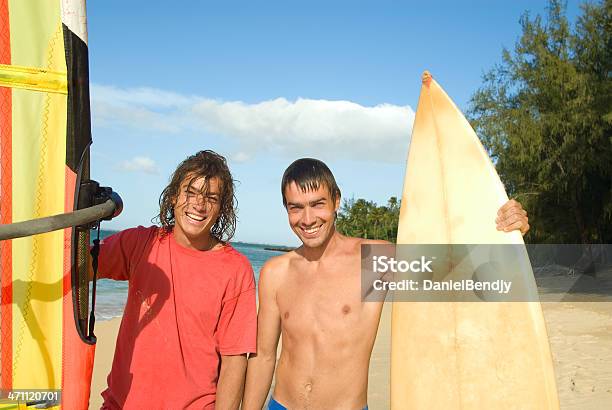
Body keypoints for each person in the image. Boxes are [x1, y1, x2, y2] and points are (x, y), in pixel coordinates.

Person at [242, 158, 529, 410]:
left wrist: (508, 233)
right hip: (281, 405)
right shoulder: (275, 272)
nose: (307, 219)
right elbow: (264, 356)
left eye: (318, 204)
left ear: (337, 201)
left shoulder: (373, 261)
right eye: (296, 208)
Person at [96, 150, 256, 409]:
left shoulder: (236, 269)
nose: (198, 204)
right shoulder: (141, 244)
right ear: (173, 196)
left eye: (211, 198)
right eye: (190, 193)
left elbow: (235, 360)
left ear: (221, 208)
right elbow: (75, 262)